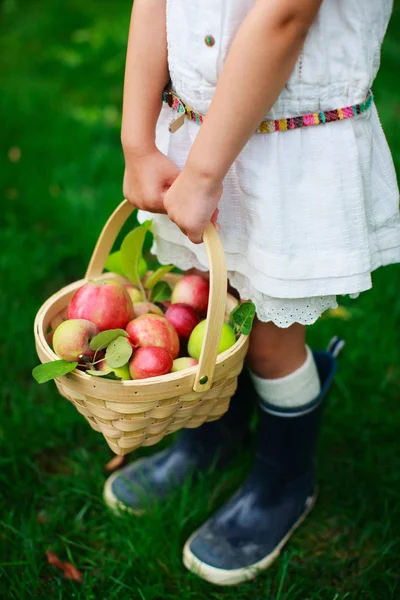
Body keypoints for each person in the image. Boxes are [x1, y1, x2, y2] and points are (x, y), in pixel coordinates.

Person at [103, 0, 400, 586]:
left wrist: (207, 174)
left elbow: (285, 14)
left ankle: (284, 478)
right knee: (214, 301)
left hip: (287, 143)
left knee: (268, 339)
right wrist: (137, 142)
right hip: (195, 129)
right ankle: (213, 433)